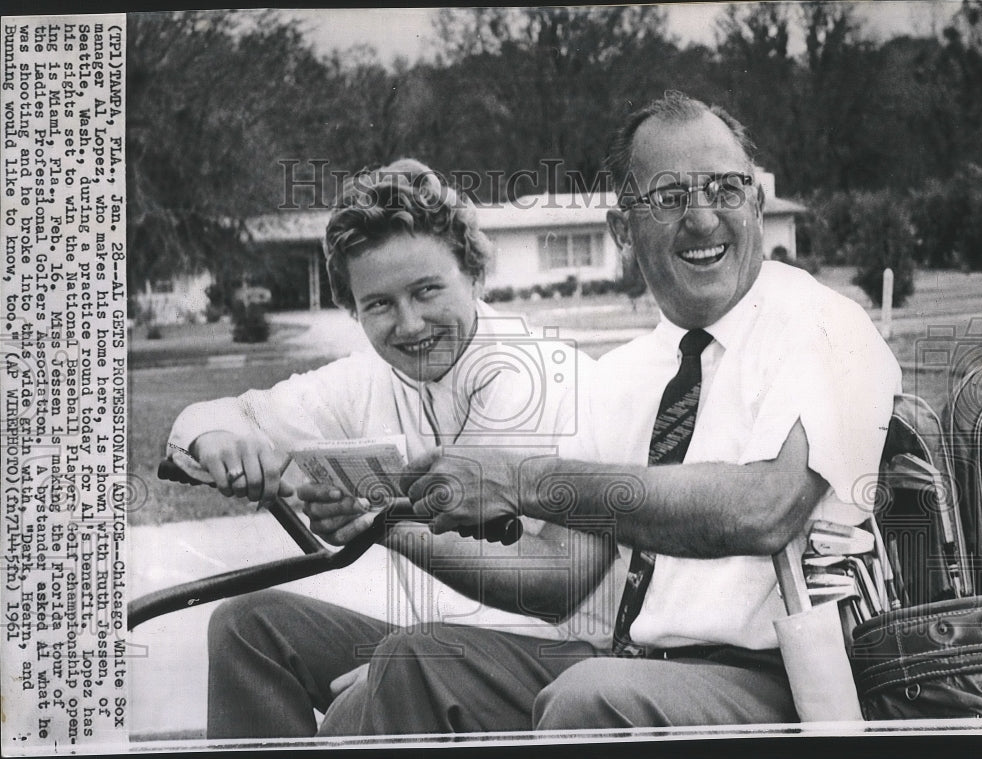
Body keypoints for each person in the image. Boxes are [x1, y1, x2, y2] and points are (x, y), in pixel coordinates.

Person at [322, 92, 902, 733]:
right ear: (622, 229)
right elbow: (561, 579)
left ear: (757, 205)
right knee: (416, 657)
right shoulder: (626, 374)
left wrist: (520, 481)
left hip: (778, 684)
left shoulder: (824, 324)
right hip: (632, 665)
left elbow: (765, 508)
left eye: (726, 189)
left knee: (592, 696)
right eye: (670, 198)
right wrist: (389, 526)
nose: (704, 219)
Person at [165, 159, 621, 738]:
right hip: (424, 652)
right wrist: (220, 441)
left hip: (563, 667)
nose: (408, 325)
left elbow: (556, 588)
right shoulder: (367, 380)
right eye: (379, 304)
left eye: (427, 290)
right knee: (246, 627)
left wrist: (381, 525)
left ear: (474, 275)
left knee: (380, 688)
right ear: (353, 310)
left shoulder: (548, 377)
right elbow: (210, 417)